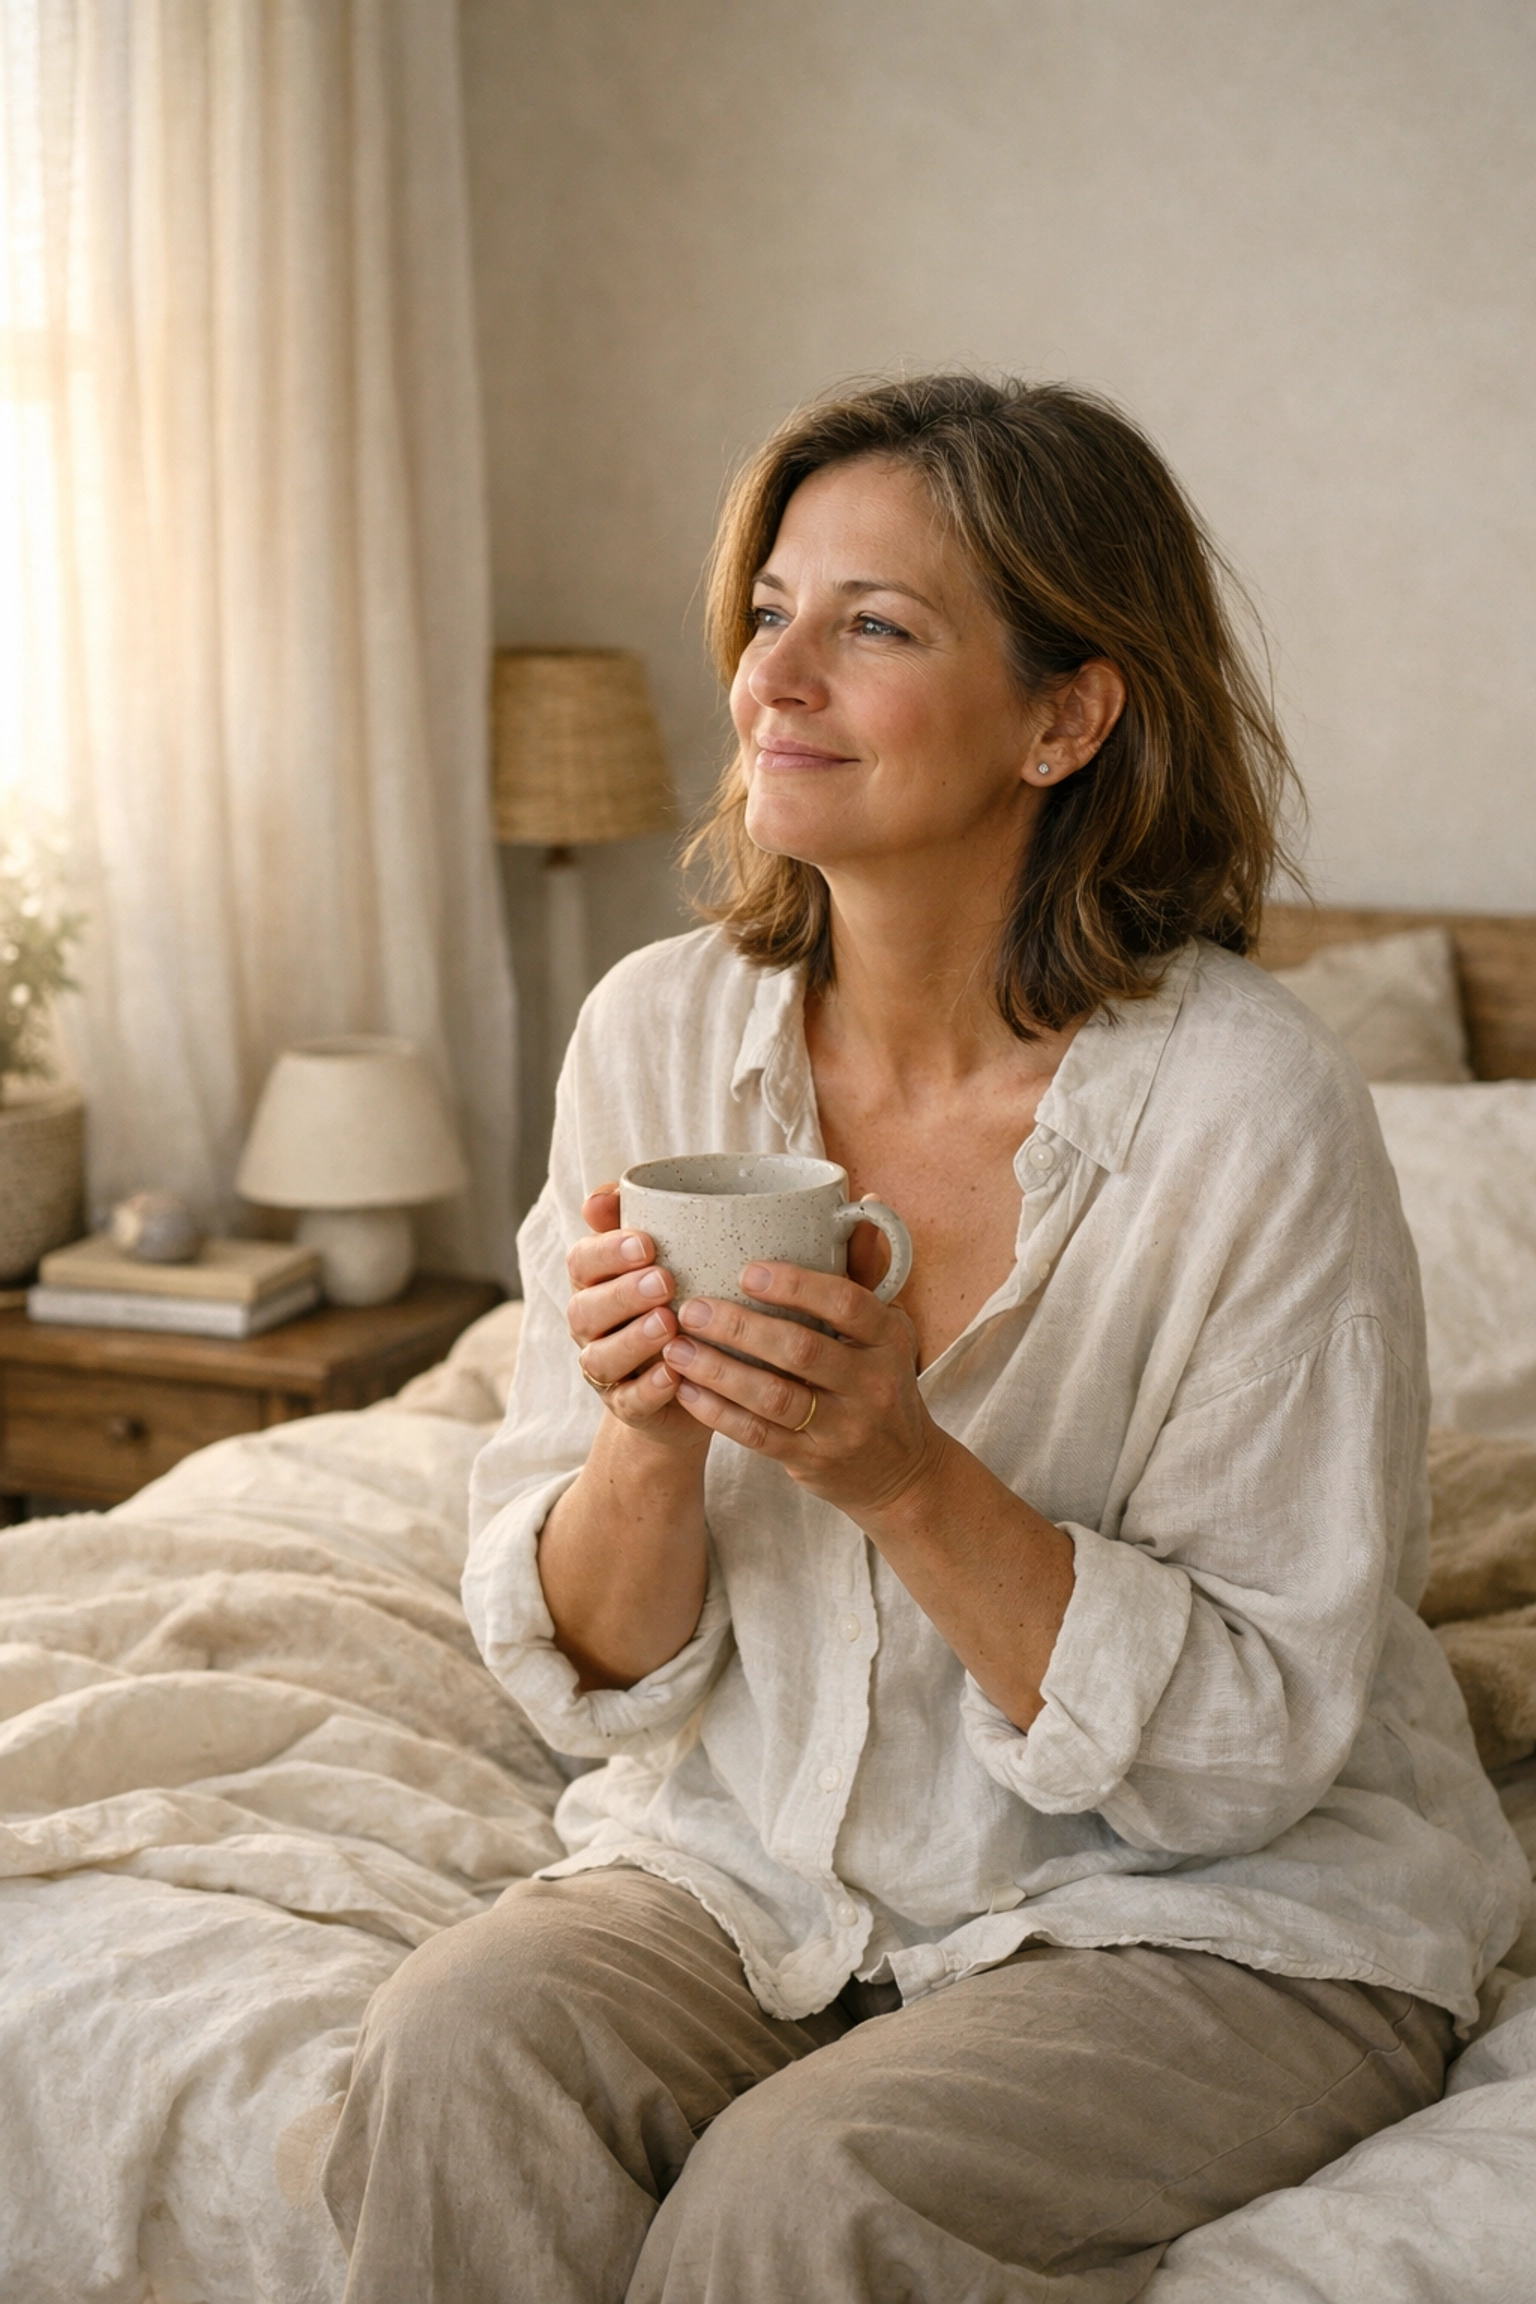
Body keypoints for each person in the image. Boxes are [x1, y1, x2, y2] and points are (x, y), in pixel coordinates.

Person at [322, 376, 1527, 2303]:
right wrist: (648, 1440)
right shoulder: (653, 1033)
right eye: (771, 611)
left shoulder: (1252, 1109)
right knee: (457, 2053)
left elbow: (1244, 1756)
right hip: (755, 1867)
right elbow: (596, 1675)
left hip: (1197, 1909)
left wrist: (895, 1468)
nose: (774, 678)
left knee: (806, 2196)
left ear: (1067, 714)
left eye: (873, 625)